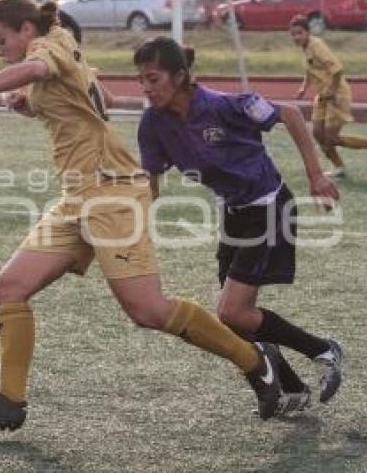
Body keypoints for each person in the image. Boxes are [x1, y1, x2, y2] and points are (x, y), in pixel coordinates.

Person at [0, 0, 285, 431]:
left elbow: (37, 68)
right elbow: (99, 100)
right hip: (77, 197)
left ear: (25, 29)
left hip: (112, 195)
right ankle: (10, 401)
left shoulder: (47, 45)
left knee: (148, 311)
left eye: (0, 40)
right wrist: (29, 104)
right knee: (9, 288)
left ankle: (255, 360)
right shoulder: (62, 47)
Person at [134, 36, 346, 414]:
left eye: (153, 79)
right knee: (235, 320)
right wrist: (125, 206)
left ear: (180, 76)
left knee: (232, 312)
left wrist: (316, 177)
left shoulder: (224, 105)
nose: (146, 89)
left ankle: (324, 350)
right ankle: (294, 391)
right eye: (142, 80)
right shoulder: (153, 123)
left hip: (269, 208)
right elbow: (150, 183)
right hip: (233, 214)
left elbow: (292, 115)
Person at [290, 15, 367, 178]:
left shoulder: (317, 46)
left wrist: (332, 91)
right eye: (293, 34)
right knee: (318, 134)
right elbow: (310, 69)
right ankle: (339, 167)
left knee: (330, 138)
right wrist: (303, 88)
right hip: (322, 97)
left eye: (299, 33)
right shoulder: (306, 48)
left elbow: (338, 69)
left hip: (336, 95)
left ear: (308, 32)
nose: (296, 37)